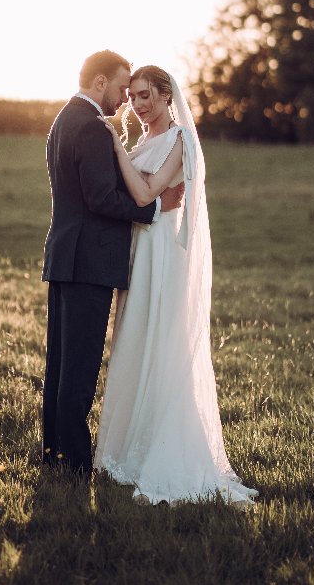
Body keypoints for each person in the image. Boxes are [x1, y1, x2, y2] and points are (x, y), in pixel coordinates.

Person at [94, 65, 258, 508]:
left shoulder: (180, 140)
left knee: (161, 343)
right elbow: (137, 191)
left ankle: (168, 456)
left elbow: (147, 195)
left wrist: (115, 146)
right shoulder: (144, 142)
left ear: (168, 96)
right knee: (134, 340)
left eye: (146, 95)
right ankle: (128, 447)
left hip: (162, 253)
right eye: (132, 96)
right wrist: (131, 169)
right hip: (138, 251)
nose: (138, 104)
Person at [41, 51, 184, 477]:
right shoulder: (90, 127)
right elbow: (101, 198)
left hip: (66, 256)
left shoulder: (63, 120)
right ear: (100, 83)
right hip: (89, 262)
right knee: (80, 369)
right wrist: (155, 208)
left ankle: (54, 452)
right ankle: (76, 463)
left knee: (60, 365)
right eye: (123, 87)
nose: (126, 98)